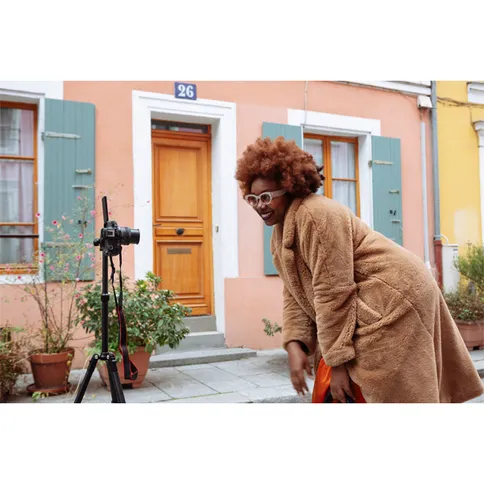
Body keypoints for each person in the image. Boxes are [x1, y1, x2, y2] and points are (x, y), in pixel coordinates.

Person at [234, 136, 484, 403]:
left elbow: (333, 291)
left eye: (266, 197)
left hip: (394, 296)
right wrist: (296, 343)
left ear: (289, 187)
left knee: (386, 387)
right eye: (252, 199)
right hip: (372, 296)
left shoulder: (315, 215)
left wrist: (338, 363)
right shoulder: (280, 233)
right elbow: (295, 292)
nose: (259, 205)